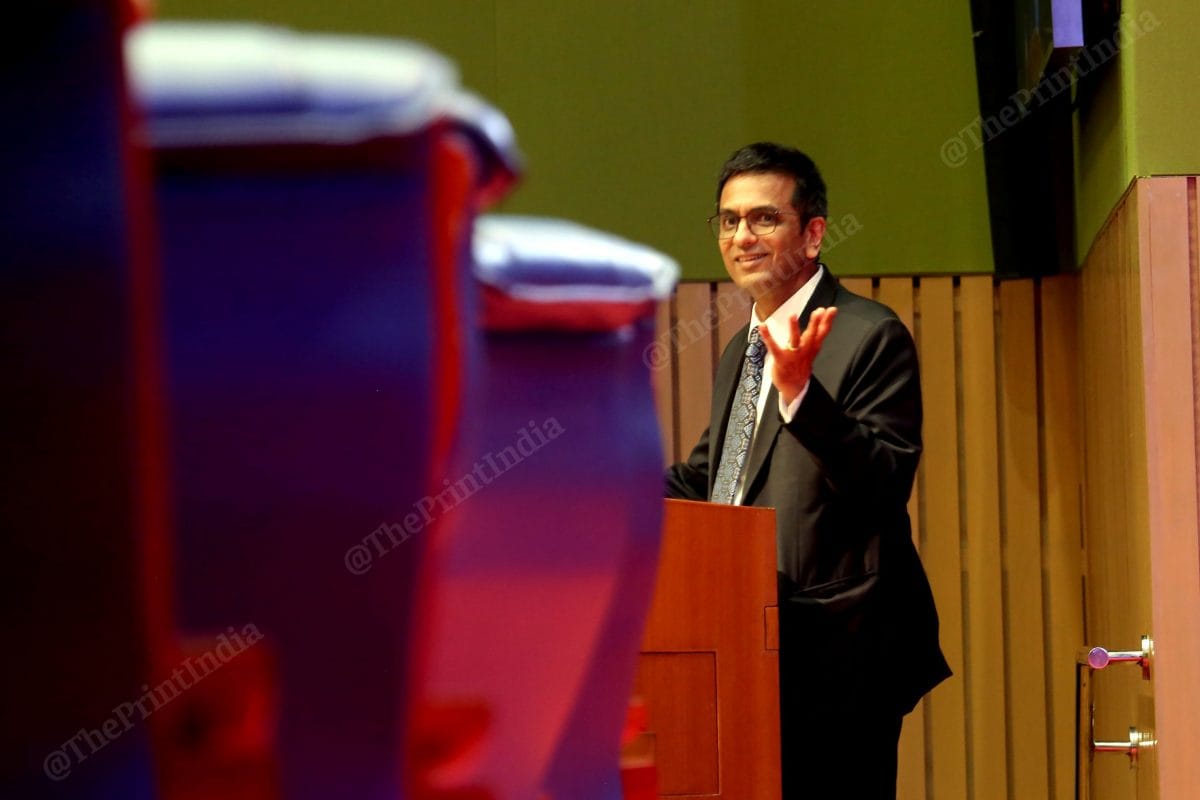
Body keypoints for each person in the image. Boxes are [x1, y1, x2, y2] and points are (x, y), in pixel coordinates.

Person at [664, 142, 950, 799]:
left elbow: (883, 484)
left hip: (840, 654)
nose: (742, 236)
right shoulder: (742, 350)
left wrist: (800, 396)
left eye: (764, 218)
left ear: (814, 233)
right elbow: (714, 481)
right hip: (747, 642)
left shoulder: (868, 334)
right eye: (729, 220)